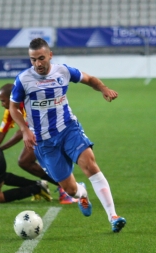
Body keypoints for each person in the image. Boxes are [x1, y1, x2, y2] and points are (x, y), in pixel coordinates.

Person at [9, 38, 126, 232]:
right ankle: (82, 194)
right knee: (71, 190)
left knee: (90, 164)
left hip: (68, 129)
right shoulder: (23, 80)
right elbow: (13, 108)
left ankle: (113, 216)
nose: (37, 63)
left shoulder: (62, 71)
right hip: (44, 142)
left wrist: (103, 88)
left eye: (41, 58)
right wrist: (24, 129)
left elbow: (89, 79)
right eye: (33, 59)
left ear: (50, 55)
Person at [0, 83, 77, 204]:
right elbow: (2, 132)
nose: (2, 104)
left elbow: (21, 132)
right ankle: (65, 185)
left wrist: (1, 149)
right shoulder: (11, 109)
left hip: (53, 132)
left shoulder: (28, 104)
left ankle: (68, 186)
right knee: (25, 162)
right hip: (39, 134)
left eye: (3, 101)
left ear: (11, 97)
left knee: (28, 161)